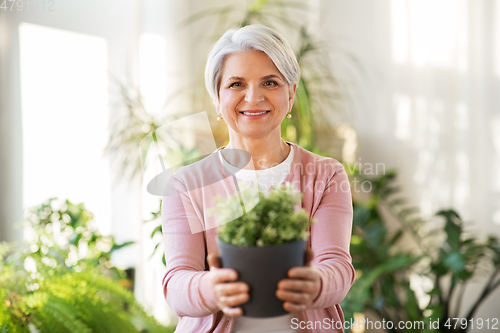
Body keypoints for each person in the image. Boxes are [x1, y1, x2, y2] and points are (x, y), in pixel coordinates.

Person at [162, 24, 355, 333]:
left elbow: (337, 266)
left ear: (291, 93)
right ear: (217, 98)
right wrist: (211, 288)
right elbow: (176, 283)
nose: (253, 97)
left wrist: (316, 283)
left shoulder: (326, 175)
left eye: (270, 82)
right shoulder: (186, 184)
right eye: (236, 83)